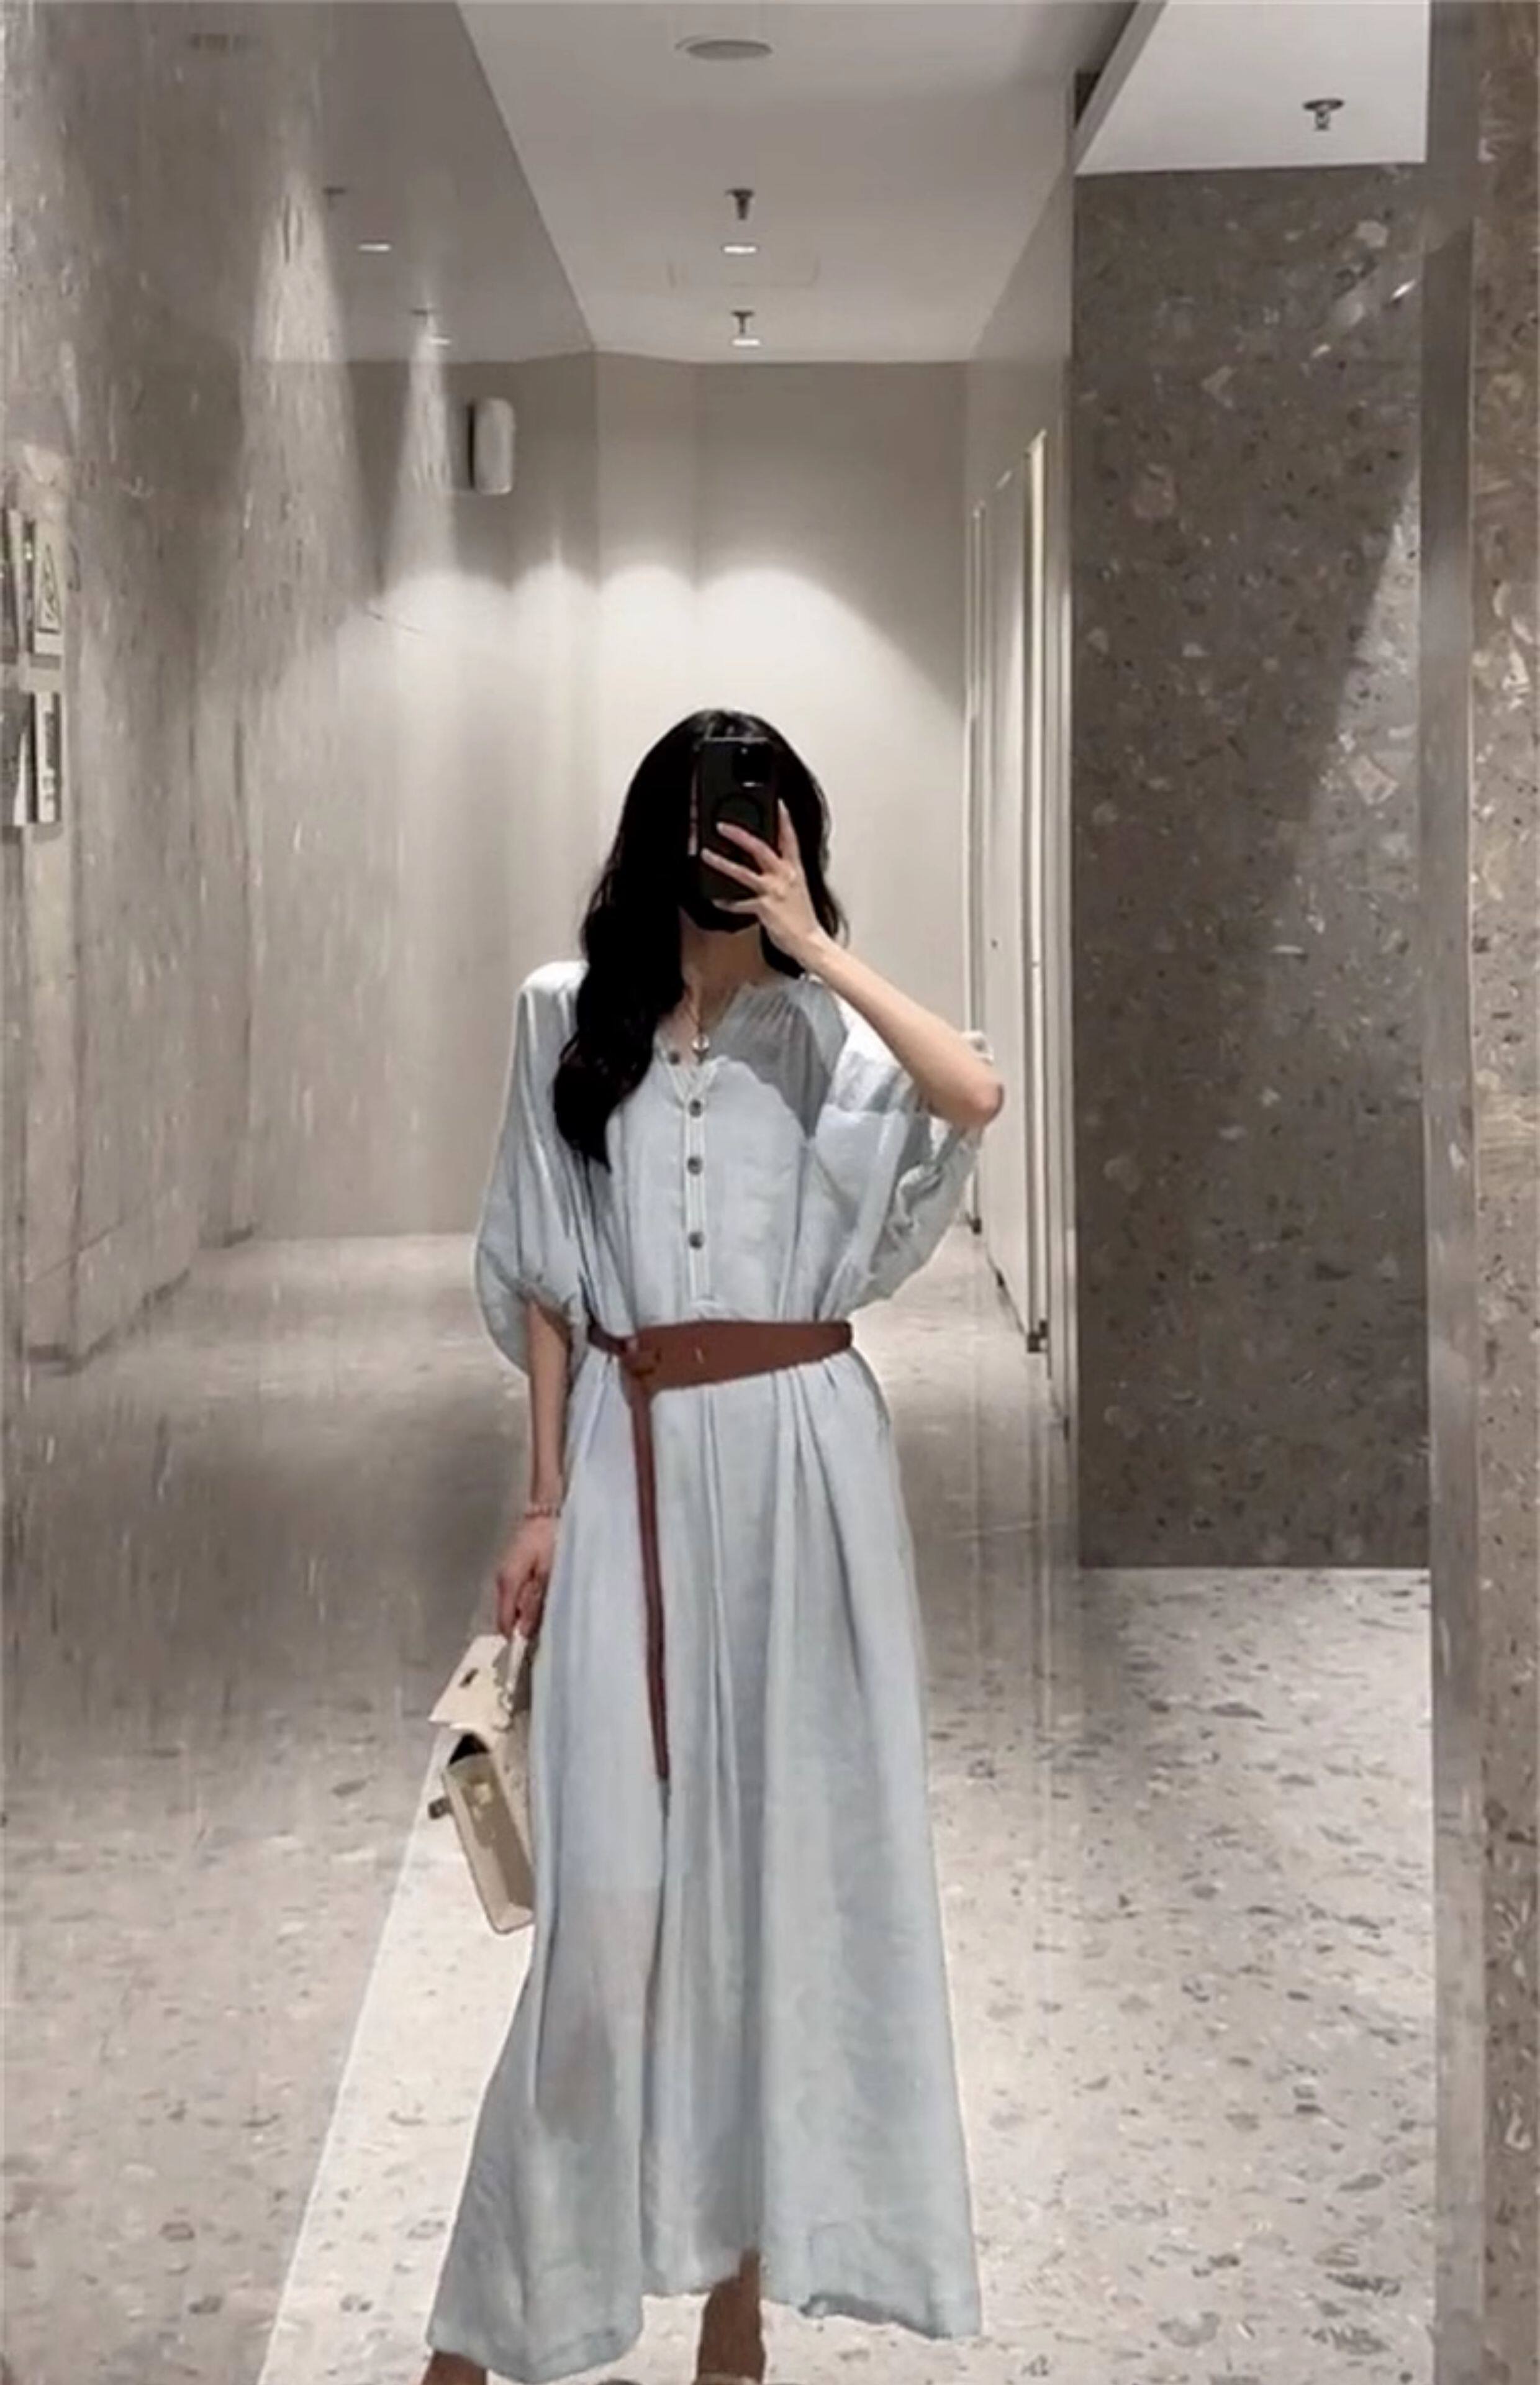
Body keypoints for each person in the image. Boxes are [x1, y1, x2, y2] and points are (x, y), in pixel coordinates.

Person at [420, 709, 1004, 2385]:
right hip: (630, 1466)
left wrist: (817, 941)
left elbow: (973, 1094)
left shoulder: (834, 1035)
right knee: (603, 1925)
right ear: (652, 836)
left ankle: (738, 2310)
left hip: (807, 1481)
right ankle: (488, 2330)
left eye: (755, 817)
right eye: (700, 816)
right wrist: (542, 1501)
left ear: (792, 835)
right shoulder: (564, 1017)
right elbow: (546, 1275)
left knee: (787, 1894)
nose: (726, 842)